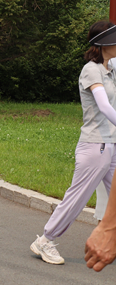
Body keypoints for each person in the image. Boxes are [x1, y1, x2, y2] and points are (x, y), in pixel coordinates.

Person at [31, 21, 116, 265]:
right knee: (77, 198)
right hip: (95, 146)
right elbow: (104, 105)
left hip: (111, 144)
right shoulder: (91, 70)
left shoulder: (111, 68)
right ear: (103, 43)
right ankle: (45, 240)